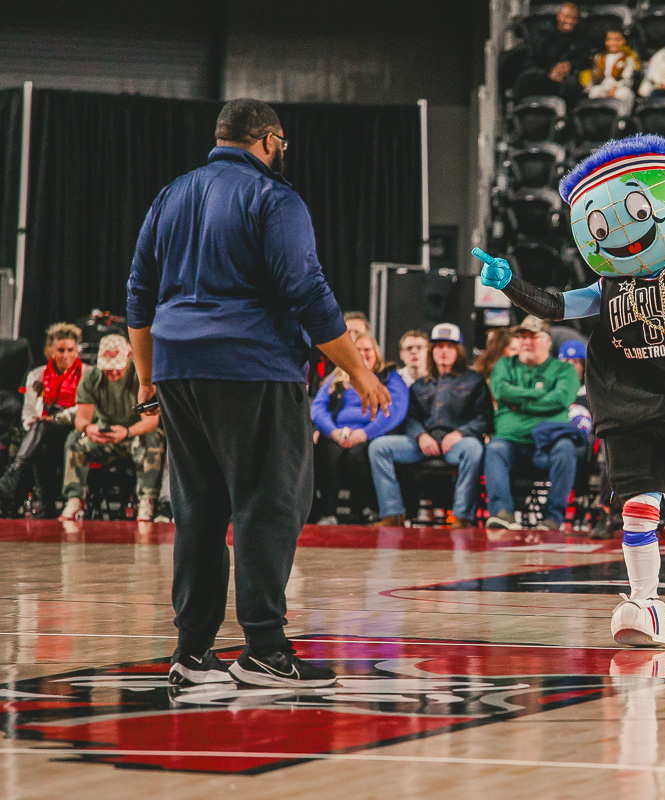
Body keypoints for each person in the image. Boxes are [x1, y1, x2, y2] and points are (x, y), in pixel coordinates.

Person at [126, 98, 391, 689]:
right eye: (281, 143)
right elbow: (307, 289)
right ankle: (265, 650)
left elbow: (139, 293)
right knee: (270, 503)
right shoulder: (274, 198)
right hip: (253, 367)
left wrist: (148, 375)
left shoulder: (170, 195)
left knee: (198, 509)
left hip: (177, 368)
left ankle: (192, 652)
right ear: (269, 140)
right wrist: (359, 371)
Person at [473, 133, 665, 646]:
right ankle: (644, 603)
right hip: (633, 407)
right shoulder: (608, 286)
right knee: (636, 507)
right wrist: (510, 284)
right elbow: (556, 306)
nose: (622, 235)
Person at [370, 323, 493, 527]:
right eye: (439, 346)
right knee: (379, 447)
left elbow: (485, 417)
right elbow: (409, 418)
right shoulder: (419, 385)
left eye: (450, 346)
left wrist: (461, 433)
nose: (444, 351)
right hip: (423, 443)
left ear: (458, 351)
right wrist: (420, 435)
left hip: (458, 444)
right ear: (431, 351)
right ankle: (392, 514)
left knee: (474, 449)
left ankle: (462, 517)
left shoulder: (474, 380)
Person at [483, 315, 581, 531]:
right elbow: (501, 392)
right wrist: (540, 395)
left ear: (547, 340)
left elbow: (561, 399)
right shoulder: (504, 364)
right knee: (495, 448)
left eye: (532, 337)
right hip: (511, 442)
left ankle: (552, 519)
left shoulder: (564, 369)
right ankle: (503, 514)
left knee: (565, 448)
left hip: (547, 445)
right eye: (522, 336)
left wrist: (518, 404)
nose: (526, 342)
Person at [59, 334, 164, 523]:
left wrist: (127, 432)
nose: (113, 373)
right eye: (108, 369)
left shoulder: (140, 376)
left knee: (154, 438)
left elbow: (151, 422)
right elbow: (81, 418)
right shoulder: (91, 377)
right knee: (75, 440)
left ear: (128, 358)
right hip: (103, 436)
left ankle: (146, 501)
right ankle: (74, 500)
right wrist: (88, 428)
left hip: (133, 435)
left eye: (118, 368)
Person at [310, 332, 408, 524]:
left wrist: (366, 433)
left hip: (372, 433)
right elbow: (318, 407)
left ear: (376, 352)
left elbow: (395, 409)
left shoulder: (389, 376)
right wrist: (332, 431)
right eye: (357, 350)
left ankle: (362, 509)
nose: (362, 354)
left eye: (367, 350)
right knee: (327, 452)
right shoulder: (337, 377)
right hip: (338, 433)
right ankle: (327, 513)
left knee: (357, 457)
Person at [0, 323, 89, 517]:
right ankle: (46, 503)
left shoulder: (87, 374)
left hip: (73, 427)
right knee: (40, 441)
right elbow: (29, 409)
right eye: (60, 350)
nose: (66, 355)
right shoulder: (36, 375)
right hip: (43, 430)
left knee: (41, 431)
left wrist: (53, 419)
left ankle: (15, 476)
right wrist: (31, 423)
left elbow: (83, 409)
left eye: (70, 350)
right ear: (50, 350)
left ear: (77, 351)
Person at [515, 2, 588, 106]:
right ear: (559, 16)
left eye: (574, 18)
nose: (570, 21)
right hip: (543, 72)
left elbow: (584, 59)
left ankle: (570, 114)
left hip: (567, 76)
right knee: (524, 79)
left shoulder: (581, 35)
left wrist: (569, 65)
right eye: (566, 17)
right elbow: (533, 60)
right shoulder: (542, 34)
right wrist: (550, 71)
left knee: (573, 84)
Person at [585, 29, 640, 113]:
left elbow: (627, 78)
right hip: (603, 86)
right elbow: (594, 77)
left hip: (619, 87)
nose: (613, 43)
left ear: (623, 41)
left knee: (625, 94)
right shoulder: (599, 57)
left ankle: (622, 118)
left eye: (617, 40)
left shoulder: (628, 58)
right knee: (594, 91)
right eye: (609, 40)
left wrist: (615, 88)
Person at [559, 338, 588, 405]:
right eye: (566, 361)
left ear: (583, 366)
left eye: (575, 362)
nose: (570, 366)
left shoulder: (591, 394)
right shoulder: (551, 390)